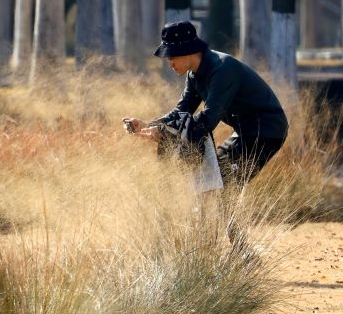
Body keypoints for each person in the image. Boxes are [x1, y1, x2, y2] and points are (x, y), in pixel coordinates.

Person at [123, 20, 289, 192]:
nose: (169, 63)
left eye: (172, 56)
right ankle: (229, 211)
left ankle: (233, 211)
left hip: (267, 130)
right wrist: (149, 126)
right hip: (244, 132)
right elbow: (182, 110)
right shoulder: (194, 74)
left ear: (187, 50)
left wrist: (165, 131)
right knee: (215, 178)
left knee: (222, 181)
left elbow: (208, 120)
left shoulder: (222, 69)